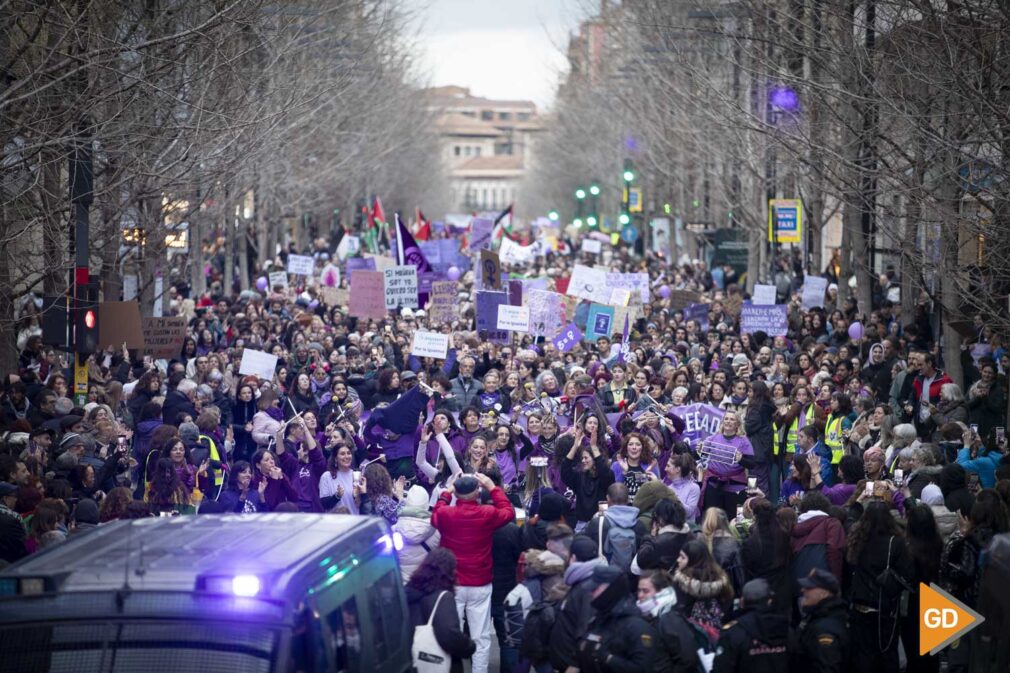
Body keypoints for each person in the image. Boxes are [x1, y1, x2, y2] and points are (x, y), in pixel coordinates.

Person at [431, 472, 514, 673]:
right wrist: (493, 487)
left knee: (451, 633)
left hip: (454, 584)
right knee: (481, 636)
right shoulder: (487, 513)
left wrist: (446, 492)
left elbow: (435, 514)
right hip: (480, 583)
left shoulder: (446, 515)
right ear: (478, 492)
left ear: (457, 494)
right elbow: (508, 512)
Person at [846, 500, 914, 673]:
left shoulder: (857, 540)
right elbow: (908, 574)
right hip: (884, 606)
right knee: (887, 653)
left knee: (862, 655)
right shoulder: (895, 543)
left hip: (859, 604)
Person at [405, 547, 476, 673]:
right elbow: (448, 634)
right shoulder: (443, 597)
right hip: (440, 665)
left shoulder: (407, 593)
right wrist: (469, 646)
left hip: (413, 662)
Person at [576, 564, 657, 673]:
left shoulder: (637, 627)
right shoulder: (597, 620)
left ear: (611, 589)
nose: (591, 593)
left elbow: (642, 669)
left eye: (595, 588)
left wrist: (607, 658)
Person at [712, 578, 793, 673]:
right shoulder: (785, 629)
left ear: (742, 602)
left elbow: (721, 668)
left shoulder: (733, 632)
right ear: (769, 601)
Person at [550, 535, 606, 672]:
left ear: (573, 558)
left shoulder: (587, 588)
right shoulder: (584, 581)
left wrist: (574, 665)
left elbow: (587, 630)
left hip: (574, 666)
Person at [636, 569, 701, 673]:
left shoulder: (669, 618)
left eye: (645, 591)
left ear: (661, 591)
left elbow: (688, 658)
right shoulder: (647, 615)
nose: (640, 595)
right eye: (639, 590)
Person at [672, 538, 734, 638]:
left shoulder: (682, 584)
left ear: (693, 560)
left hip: (689, 637)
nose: (678, 560)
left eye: (682, 557)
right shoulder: (721, 581)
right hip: (720, 636)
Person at [794, 568, 849, 673]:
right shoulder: (818, 617)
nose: (803, 590)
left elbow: (828, 668)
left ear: (823, 594)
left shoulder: (825, 629)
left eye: (809, 587)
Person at [584, 483, 648, 572]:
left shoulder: (598, 522)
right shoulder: (639, 524)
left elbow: (584, 546)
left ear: (607, 498)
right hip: (631, 578)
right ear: (628, 499)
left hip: (604, 575)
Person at [634, 498, 693, 573]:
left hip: (663, 581)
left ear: (661, 519)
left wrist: (650, 538)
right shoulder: (691, 535)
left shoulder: (657, 542)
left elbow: (641, 561)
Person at [395, 484, 440, 582]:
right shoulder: (437, 532)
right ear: (427, 505)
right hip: (426, 586)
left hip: (402, 587)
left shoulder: (393, 531)